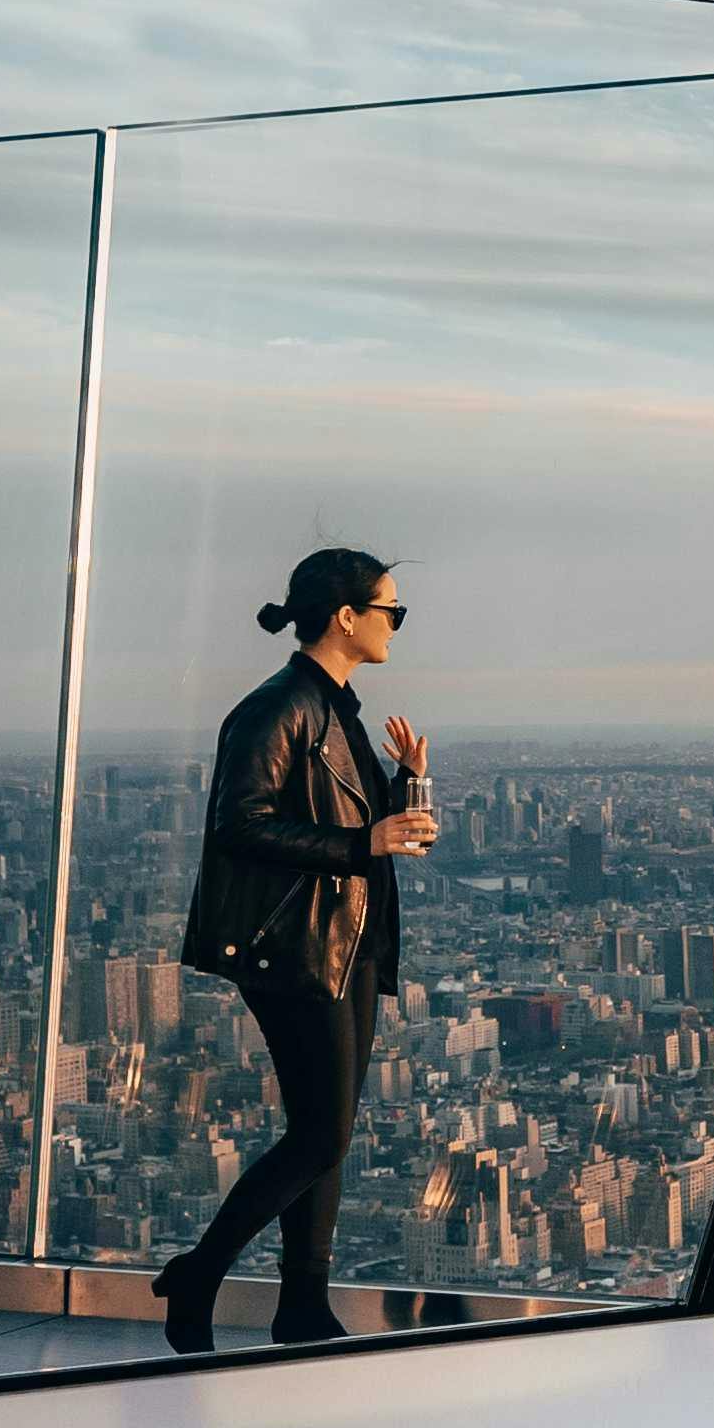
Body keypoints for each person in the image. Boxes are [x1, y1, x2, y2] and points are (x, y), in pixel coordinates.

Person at [156, 545, 436, 1352]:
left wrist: (408, 784)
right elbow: (238, 823)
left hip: (346, 942)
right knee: (320, 1136)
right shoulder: (279, 707)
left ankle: (302, 1304)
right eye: (391, 611)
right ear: (347, 617)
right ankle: (202, 1270)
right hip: (297, 946)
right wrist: (363, 844)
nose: (396, 626)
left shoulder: (337, 708)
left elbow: (363, 830)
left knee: (329, 1131)